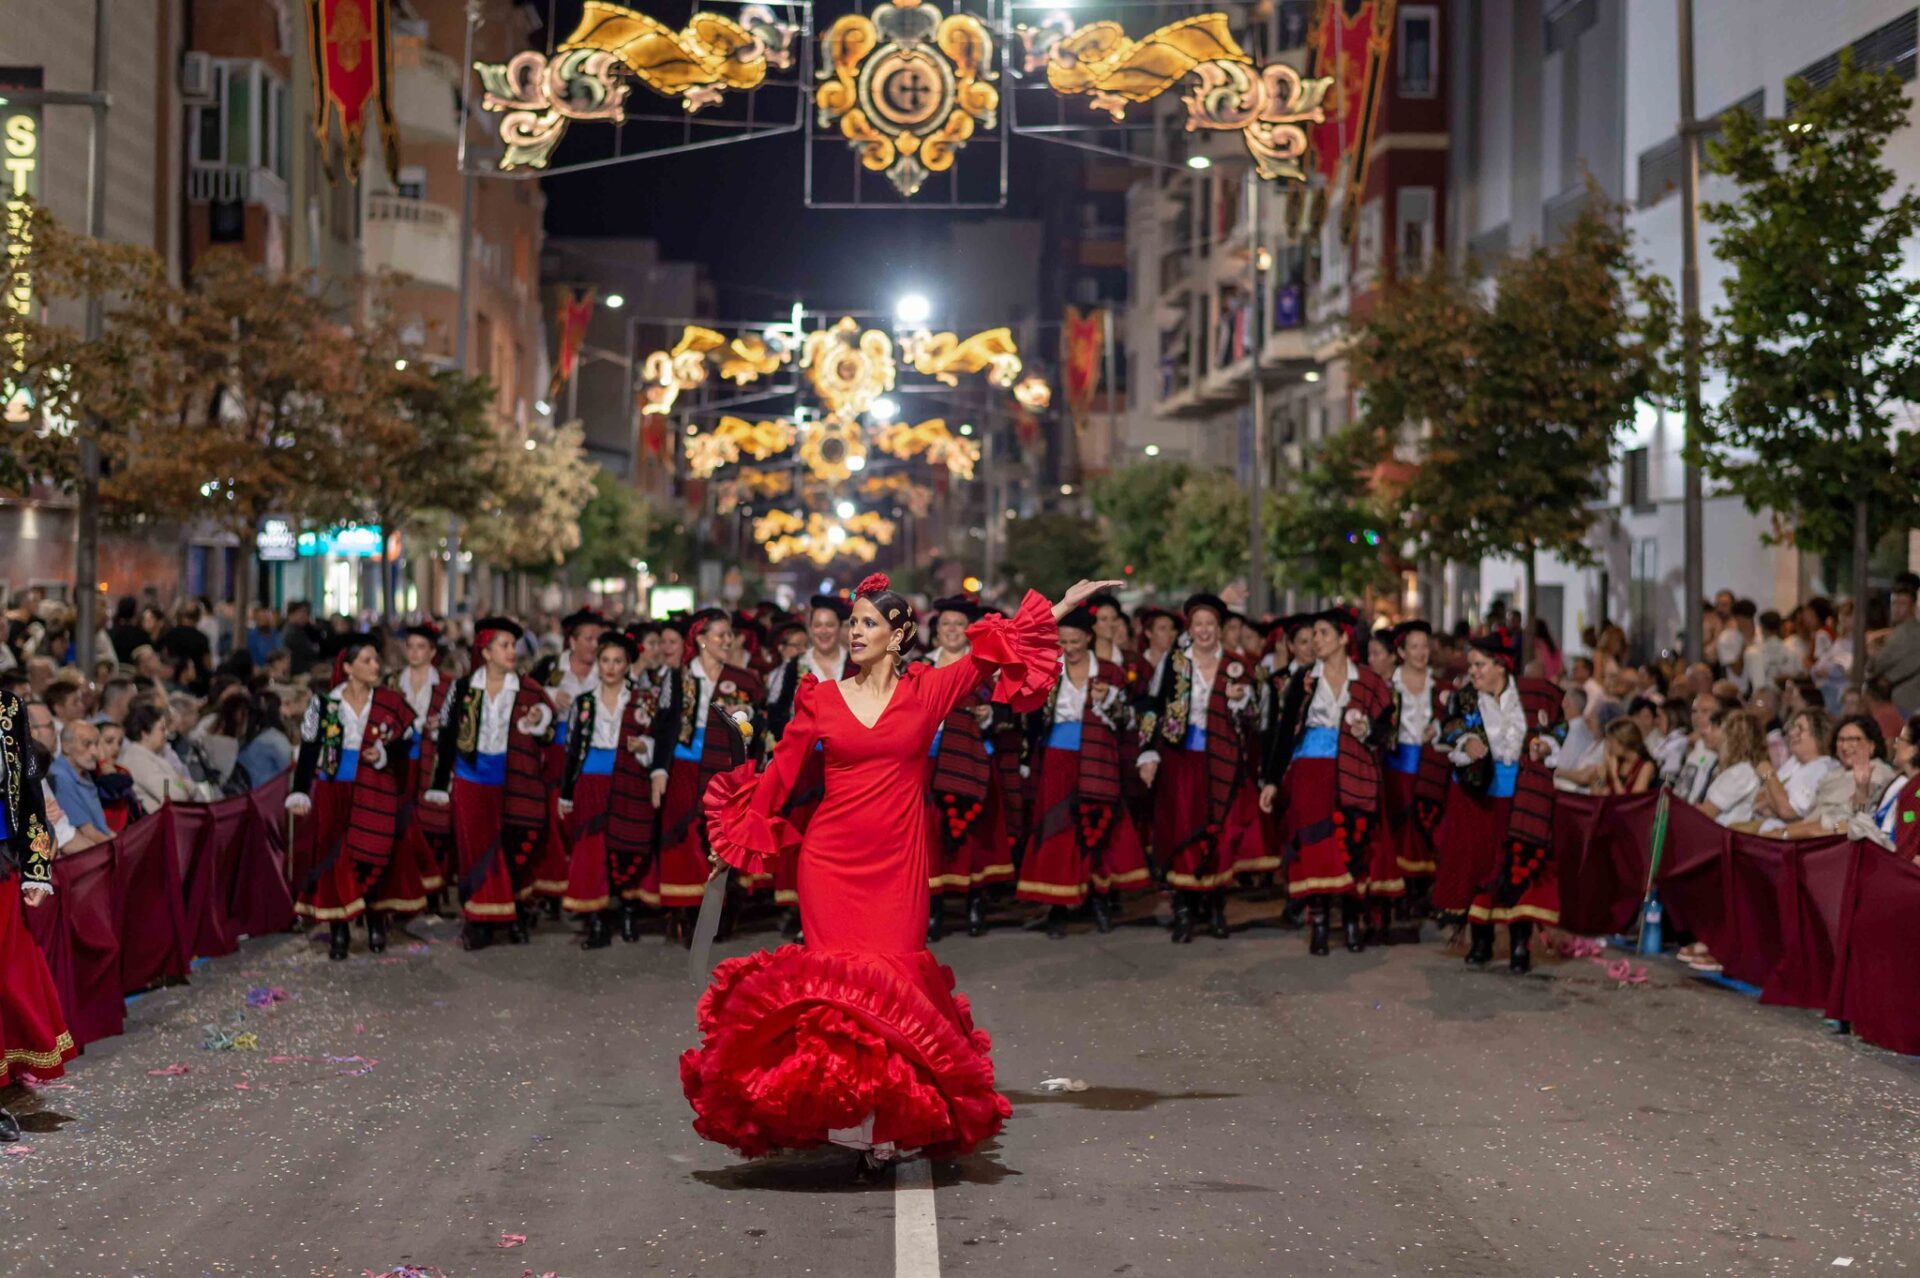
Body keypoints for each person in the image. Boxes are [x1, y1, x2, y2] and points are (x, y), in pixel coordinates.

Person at [684, 573, 1102, 1173]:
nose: (854, 632)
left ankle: (886, 1119)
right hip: (829, 863)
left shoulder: (928, 690)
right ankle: (856, 1123)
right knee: (840, 998)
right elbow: (779, 779)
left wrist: (1060, 604)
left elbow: (994, 650)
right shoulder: (822, 698)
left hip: (899, 864)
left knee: (894, 988)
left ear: (899, 635)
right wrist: (734, 838)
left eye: (868, 623)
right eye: (852, 622)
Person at [1262, 609, 1395, 955]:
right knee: (1315, 845)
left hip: (1355, 770)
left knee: (1352, 841)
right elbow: (1284, 732)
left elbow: (1386, 728)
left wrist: (1369, 730)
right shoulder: (1304, 679)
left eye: (1323, 633)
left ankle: (1351, 918)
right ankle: (1319, 920)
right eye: (1314, 634)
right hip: (1311, 771)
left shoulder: (1368, 680)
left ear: (1343, 637)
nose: (1316, 641)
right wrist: (1272, 781)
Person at [1014, 607, 1150, 938]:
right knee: (1056, 830)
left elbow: (1128, 721)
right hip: (1057, 761)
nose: (1069, 648)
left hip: (1098, 758)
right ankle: (1057, 907)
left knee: (1098, 826)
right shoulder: (1048, 669)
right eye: (1062, 642)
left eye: (1075, 641)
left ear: (1088, 638)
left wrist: (1110, 701)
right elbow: (1031, 719)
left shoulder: (1111, 672)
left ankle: (1099, 900)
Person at [424, 618, 558, 950]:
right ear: (485, 651)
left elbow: (549, 730)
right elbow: (447, 736)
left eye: (514, 645)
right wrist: (440, 783)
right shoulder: (462, 688)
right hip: (472, 778)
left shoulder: (528, 689)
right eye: (505, 645)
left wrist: (540, 719)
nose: (512, 651)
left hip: (513, 779)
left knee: (512, 846)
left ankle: (514, 912)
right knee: (475, 850)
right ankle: (478, 920)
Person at [1136, 593, 1261, 943]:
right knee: (1181, 828)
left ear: (1219, 628)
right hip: (1181, 758)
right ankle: (1184, 910)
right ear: (1189, 629)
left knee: (1220, 830)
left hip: (1222, 758)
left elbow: (1255, 718)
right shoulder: (1175, 662)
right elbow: (1152, 707)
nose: (1204, 630)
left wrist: (1241, 701)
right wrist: (1147, 752)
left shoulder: (1237, 664)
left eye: (1210, 624)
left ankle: (1217, 906)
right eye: (1198, 624)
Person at [285, 639, 417, 959]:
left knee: (372, 852)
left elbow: (406, 741)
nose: (376, 666)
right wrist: (300, 790)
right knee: (336, 857)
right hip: (335, 788)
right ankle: (339, 928)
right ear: (347, 667)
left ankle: (375, 917)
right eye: (367, 661)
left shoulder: (389, 702)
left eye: (376, 660)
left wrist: (383, 752)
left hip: (375, 786)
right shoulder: (325, 705)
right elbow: (310, 748)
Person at [648, 610, 765, 945]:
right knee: (684, 841)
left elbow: (759, 730)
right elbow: (664, 726)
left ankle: (721, 911)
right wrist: (659, 770)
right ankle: (685, 911)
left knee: (723, 839)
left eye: (730, 635)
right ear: (700, 639)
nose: (727, 640)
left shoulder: (744, 680)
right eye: (720, 634)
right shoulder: (677, 678)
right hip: (684, 768)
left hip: (725, 770)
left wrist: (749, 722)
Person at [0, 684, 75, 1140]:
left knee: (8, 979)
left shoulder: (8, 707)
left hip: (0, 862)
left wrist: (36, 868)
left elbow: (29, 793)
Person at [921, 597, 1015, 940]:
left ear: (969, 630)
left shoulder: (985, 666)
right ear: (937, 629)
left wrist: (989, 714)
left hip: (974, 760)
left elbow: (1008, 709)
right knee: (929, 835)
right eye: (945, 623)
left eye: (958, 624)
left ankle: (976, 903)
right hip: (929, 761)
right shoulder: (920, 667)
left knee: (975, 834)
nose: (951, 630)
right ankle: (933, 909)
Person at [558, 631, 659, 948]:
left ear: (627, 665)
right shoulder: (584, 702)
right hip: (591, 783)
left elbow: (657, 739)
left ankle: (628, 911)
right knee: (592, 851)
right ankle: (597, 920)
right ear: (598, 664)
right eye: (605, 660)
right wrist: (566, 792)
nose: (611, 667)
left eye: (617, 661)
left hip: (628, 779)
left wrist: (644, 746)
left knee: (627, 845)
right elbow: (573, 749)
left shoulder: (642, 701)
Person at [1430, 635, 1524, 923]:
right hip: (1474, 795)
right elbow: (1448, 728)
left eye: (1479, 665)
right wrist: (1466, 740)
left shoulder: (1525, 698)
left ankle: (1516, 935)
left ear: (1501, 665)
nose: (1472, 671)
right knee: (1475, 866)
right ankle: (1479, 935)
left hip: (1516, 797)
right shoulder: (1465, 698)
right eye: (1470, 665)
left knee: (1512, 867)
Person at [390, 626, 454, 916]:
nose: (414, 652)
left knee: (433, 826)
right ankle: (406, 889)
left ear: (432, 652)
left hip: (433, 760)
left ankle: (433, 890)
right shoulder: (393, 682)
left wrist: (442, 727)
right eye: (411, 646)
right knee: (404, 825)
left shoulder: (446, 685)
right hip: (402, 762)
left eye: (421, 647)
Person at [1384, 621, 1444, 907]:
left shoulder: (1439, 687)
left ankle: (1421, 889)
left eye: (1425, 647)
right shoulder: (1389, 686)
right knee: (1398, 826)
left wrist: (1439, 729)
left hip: (1429, 769)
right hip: (1396, 767)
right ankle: (1397, 889)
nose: (1421, 653)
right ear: (1402, 652)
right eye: (1414, 647)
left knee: (1425, 828)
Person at [1752, 708, 1839, 833]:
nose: (1792, 733)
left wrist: (1769, 774)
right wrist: (1778, 799)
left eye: (1800, 729)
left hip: (1789, 836)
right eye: (1792, 728)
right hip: (1767, 825)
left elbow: (1787, 811)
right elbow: (1758, 801)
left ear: (1819, 734)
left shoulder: (1822, 767)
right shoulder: (1794, 762)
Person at [119, 701, 196, 812]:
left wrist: (181, 784)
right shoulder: (138, 759)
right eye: (162, 729)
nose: (166, 734)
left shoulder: (151, 756)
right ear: (145, 734)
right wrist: (182, 784)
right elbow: (174, 795)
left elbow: (184, 785)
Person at [47, 720, 112, 849]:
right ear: (66, 746)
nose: (95, 752)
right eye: (86, 744)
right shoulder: (60, 777)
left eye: (96, 744)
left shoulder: (82, 770)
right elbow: (89, 833)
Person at [1697, 709, 1766, 824]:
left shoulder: (1742, 772)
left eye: (1717, 727)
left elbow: (1705, 812)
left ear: (1735, 737)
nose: (1707, 732)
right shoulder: (1724, 768)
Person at [233, 690, 294, 791]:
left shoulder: (242, 738)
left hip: (247, 795)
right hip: (267, 795)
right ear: (277, 712)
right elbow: (288, 774)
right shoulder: (275, 740)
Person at [93, 721, 139, 831]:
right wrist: (103, 762)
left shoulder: (122, 771)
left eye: (119, 743)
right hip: (101, 834)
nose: (116, 748)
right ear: (95, 744)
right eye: (109, 741)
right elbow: (110, 790)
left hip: (125, 831)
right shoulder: (89, 772)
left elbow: (134, 809)